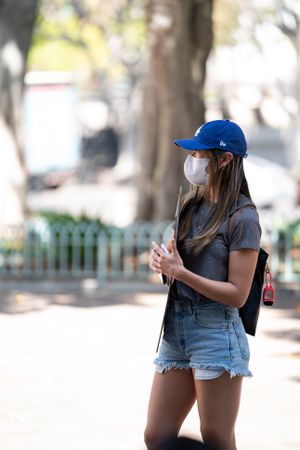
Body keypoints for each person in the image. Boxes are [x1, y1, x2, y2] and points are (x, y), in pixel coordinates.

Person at [144, 120, 261, 450]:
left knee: (217, 439)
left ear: (224, 160)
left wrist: (181, 273)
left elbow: (237, 295)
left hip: (215, 332)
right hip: (176, 328)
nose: (192, 159)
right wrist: (163, 265)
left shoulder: (243, 217)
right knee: (157, 436)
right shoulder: (189, 204)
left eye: (199, 153)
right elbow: (174, 264)